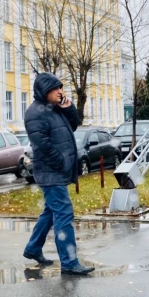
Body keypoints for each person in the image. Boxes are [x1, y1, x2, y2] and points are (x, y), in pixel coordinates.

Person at [23, 73, 94, 276]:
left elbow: (72, 126)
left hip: (55, 171)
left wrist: (69, 108)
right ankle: (70, 261)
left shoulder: (54, 109)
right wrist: (61, 163)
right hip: (50, 172)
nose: (60, 92)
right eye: (56, 89)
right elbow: (42, 144)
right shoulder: (35, 113)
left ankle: (33, 248)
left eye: (61, 88)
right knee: (63, 213)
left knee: (50, 212)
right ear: (45, 91)